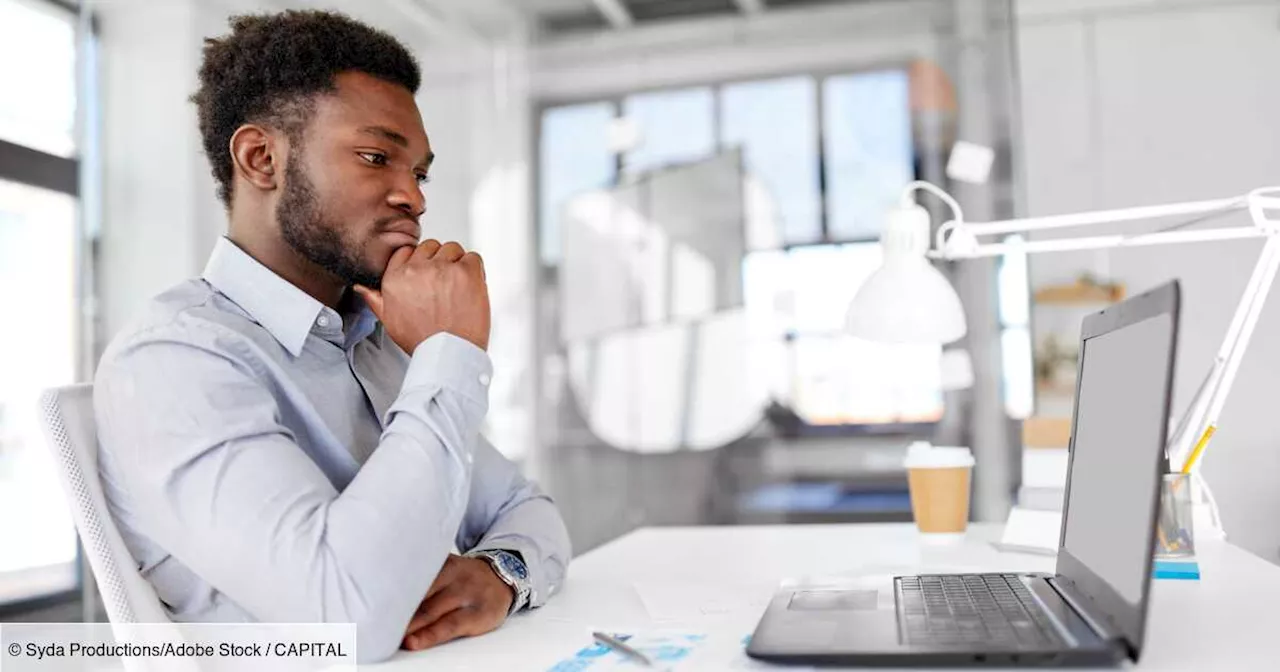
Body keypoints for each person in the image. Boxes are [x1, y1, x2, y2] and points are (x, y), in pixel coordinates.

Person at [93, 10, 570, 663]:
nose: (414, 198)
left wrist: (503, 576)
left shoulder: (378, 341)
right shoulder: (175, 360)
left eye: (420, 172)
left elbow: (527, 509)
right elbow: (344, 618)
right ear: (262, 159)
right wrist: (449, 354)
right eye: (377, 157)